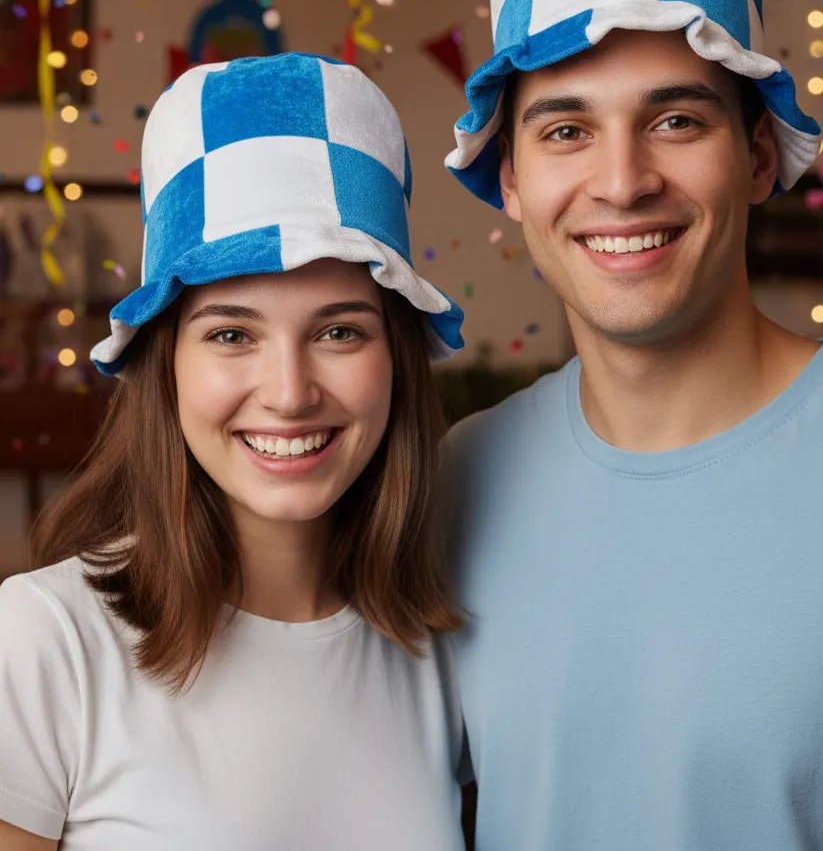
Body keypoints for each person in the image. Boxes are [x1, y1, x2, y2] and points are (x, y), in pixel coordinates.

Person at [441, 0, 823, 849]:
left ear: (758, 155)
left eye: (675, 120)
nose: (621, 181)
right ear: (511, 178)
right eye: (567, 129)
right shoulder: (454, 481)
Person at [0, 52, 471, 851]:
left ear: (396, 358)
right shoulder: (43, 641)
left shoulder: (439, 652)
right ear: (166, 364)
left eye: (339, 331)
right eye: (231, 334)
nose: (289, 392)